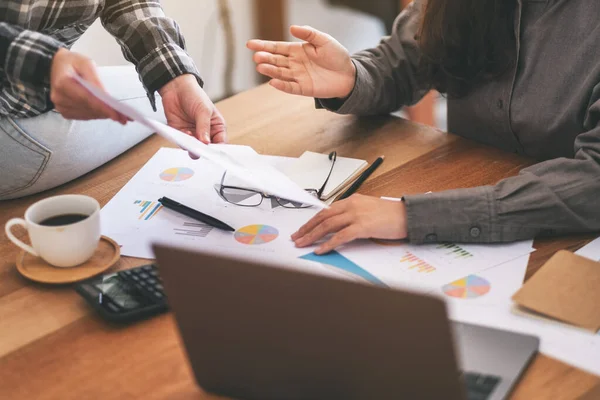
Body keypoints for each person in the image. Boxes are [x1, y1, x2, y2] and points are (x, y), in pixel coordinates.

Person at [247, 0, 600, 254]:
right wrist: (353, 78)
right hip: (463, 201)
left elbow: (592, 182)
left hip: (567, 240)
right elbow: (406, 60)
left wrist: (412, 216)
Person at [0, 0, 226, 200]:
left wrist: (175, 79)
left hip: (31, 96)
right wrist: (39, 62)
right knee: (153, 100)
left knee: (158, 89)